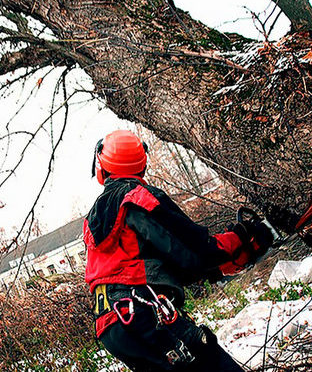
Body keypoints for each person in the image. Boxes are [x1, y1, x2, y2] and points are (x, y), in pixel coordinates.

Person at [83, 130, 274, 371]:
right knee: (212, 362)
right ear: (142, 163)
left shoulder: (93, 218)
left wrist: (221, 268)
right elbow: (195, 250)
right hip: (142, 311)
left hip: (111, 324)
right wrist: (241, 238)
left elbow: (161, 265)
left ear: (102, 165)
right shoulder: (139, 199)